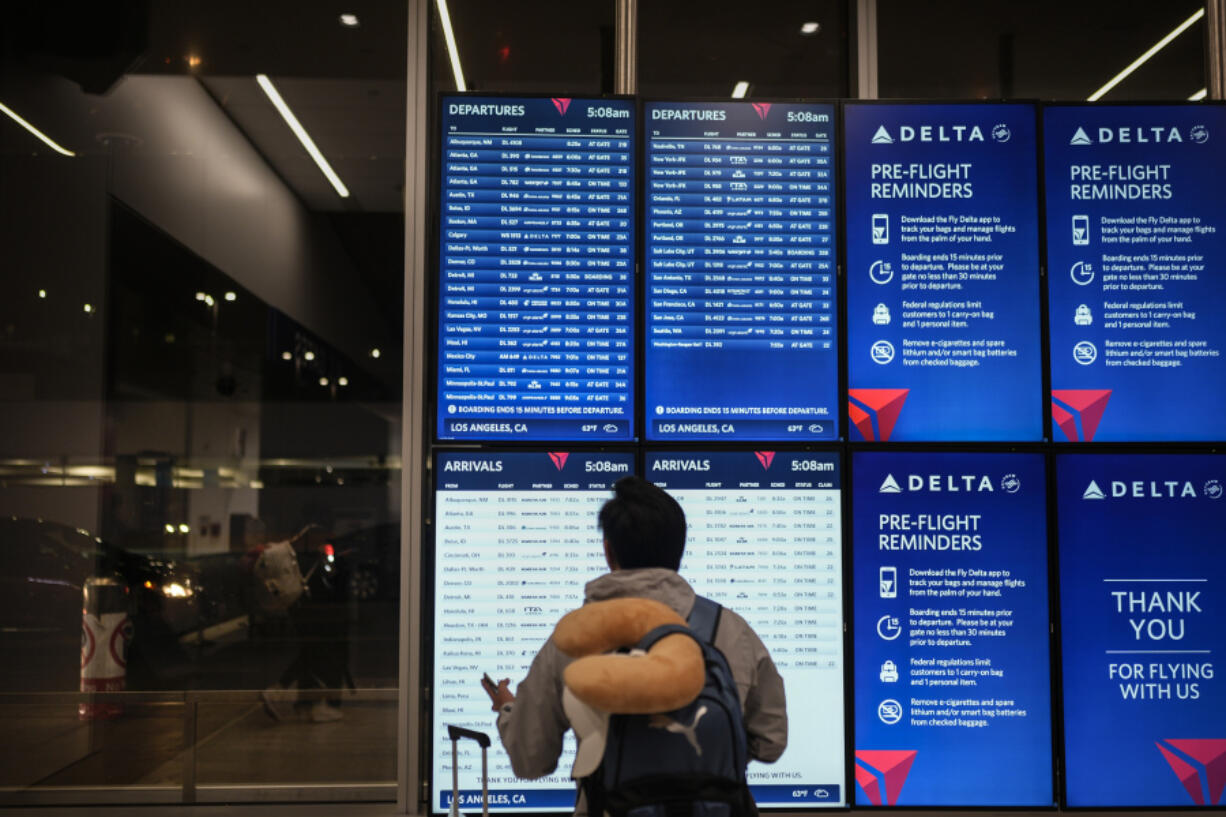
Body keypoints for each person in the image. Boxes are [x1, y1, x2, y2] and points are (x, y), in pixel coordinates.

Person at [483, 475, 787, 810]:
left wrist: (509, 710)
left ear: (608, 550)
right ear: (680, 549)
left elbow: (531, 760)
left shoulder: (572, 640)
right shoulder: (731, 630)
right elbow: (771, 742)